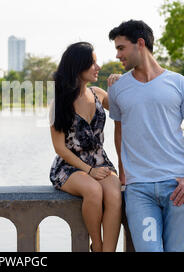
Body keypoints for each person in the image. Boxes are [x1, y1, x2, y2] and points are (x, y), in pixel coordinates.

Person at [107, 20, 184, 252]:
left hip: (178, 186)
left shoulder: (181, 84)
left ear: (139, 43)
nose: (117, 55)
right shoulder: (119, 89)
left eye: (121, 48)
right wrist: (124, 176)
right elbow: (119, 133)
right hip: (139, 190)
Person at [49, 42, 122, 252]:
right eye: (92, 63)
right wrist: (89, 170)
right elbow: (59, 147)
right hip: (70, 166)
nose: (97, 67)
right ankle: (97, 247)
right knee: (93, 190)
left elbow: (125, 106)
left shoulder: (98, 93)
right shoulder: (59, 103)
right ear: (77, 67)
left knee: (115, 195)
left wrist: (118, 86)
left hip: (100, 162)